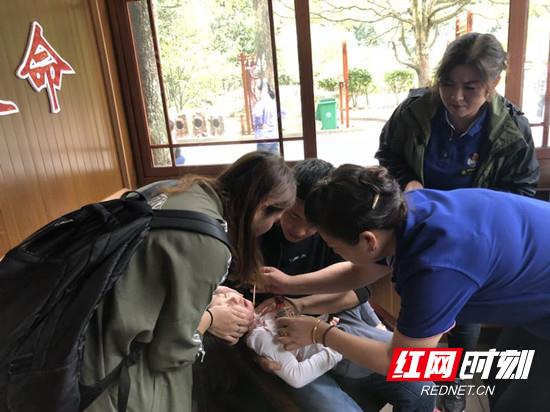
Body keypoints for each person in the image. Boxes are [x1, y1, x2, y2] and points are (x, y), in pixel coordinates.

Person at [260, 164, 550, 412]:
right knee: (504, 373)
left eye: (334, 246)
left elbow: (402, 361)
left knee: (522, 402)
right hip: (534, 288)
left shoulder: (434, 269)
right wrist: (287, 284)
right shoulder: (401, 211)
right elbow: (358, 271)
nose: (332, 251)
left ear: (368, 240)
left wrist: (319, 332)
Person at [375, 32, 540, 412]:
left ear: (493, 83)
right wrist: (407, 182)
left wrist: (476, 211)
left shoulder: (511, 129)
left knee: (465, 320)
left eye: (470, 87)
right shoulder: (414, 112)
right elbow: (387, 155)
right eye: (448, 84)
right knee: (420, 314)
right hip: (419, 234)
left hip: (478, 245)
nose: (456, 96)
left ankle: (452, 389)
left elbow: (521, 193)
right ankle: (421, 387)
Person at [80, 151, 296, 412]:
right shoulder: (209, 242)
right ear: (263, 205)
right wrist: (212, 319)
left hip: (83, 326)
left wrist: (209, 293)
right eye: (275, 218)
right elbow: (169, 351)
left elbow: (148, 275)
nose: (273, 226)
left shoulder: (179, 189)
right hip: (113, 369)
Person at [254, 158, 434, 412]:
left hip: (332, 324)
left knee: (421, 384)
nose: (301, 230)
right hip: (285, 343)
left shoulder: (336, 230)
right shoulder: (262, 231)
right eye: (293, 215)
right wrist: (259, 350)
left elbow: (359, 286)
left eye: (312, 224)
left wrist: (302, 307)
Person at [253, 80, 279, 154]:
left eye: (255, 89)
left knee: (262, 158)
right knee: (274, 158)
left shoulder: (260, 104)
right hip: (274, 135)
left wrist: (260, 124)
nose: (255, 92)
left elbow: (257, 116)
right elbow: (282, 114)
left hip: (263, 136)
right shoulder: (273, 102)